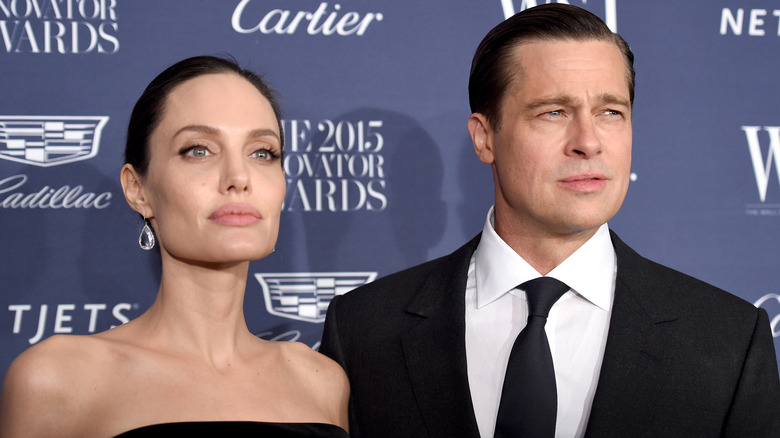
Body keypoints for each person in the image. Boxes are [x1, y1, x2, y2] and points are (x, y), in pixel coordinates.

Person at [320, 4, 780, 438]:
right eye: (554, 112)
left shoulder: (728, 341)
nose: (588, 141)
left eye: (610, 113)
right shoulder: (364, 331)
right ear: (485, 138)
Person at [0, 56, 349, 437]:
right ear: (138, 189)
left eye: (262, 152)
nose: (238, 178)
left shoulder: (321, 381)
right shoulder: (59, 379)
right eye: (198, 150)